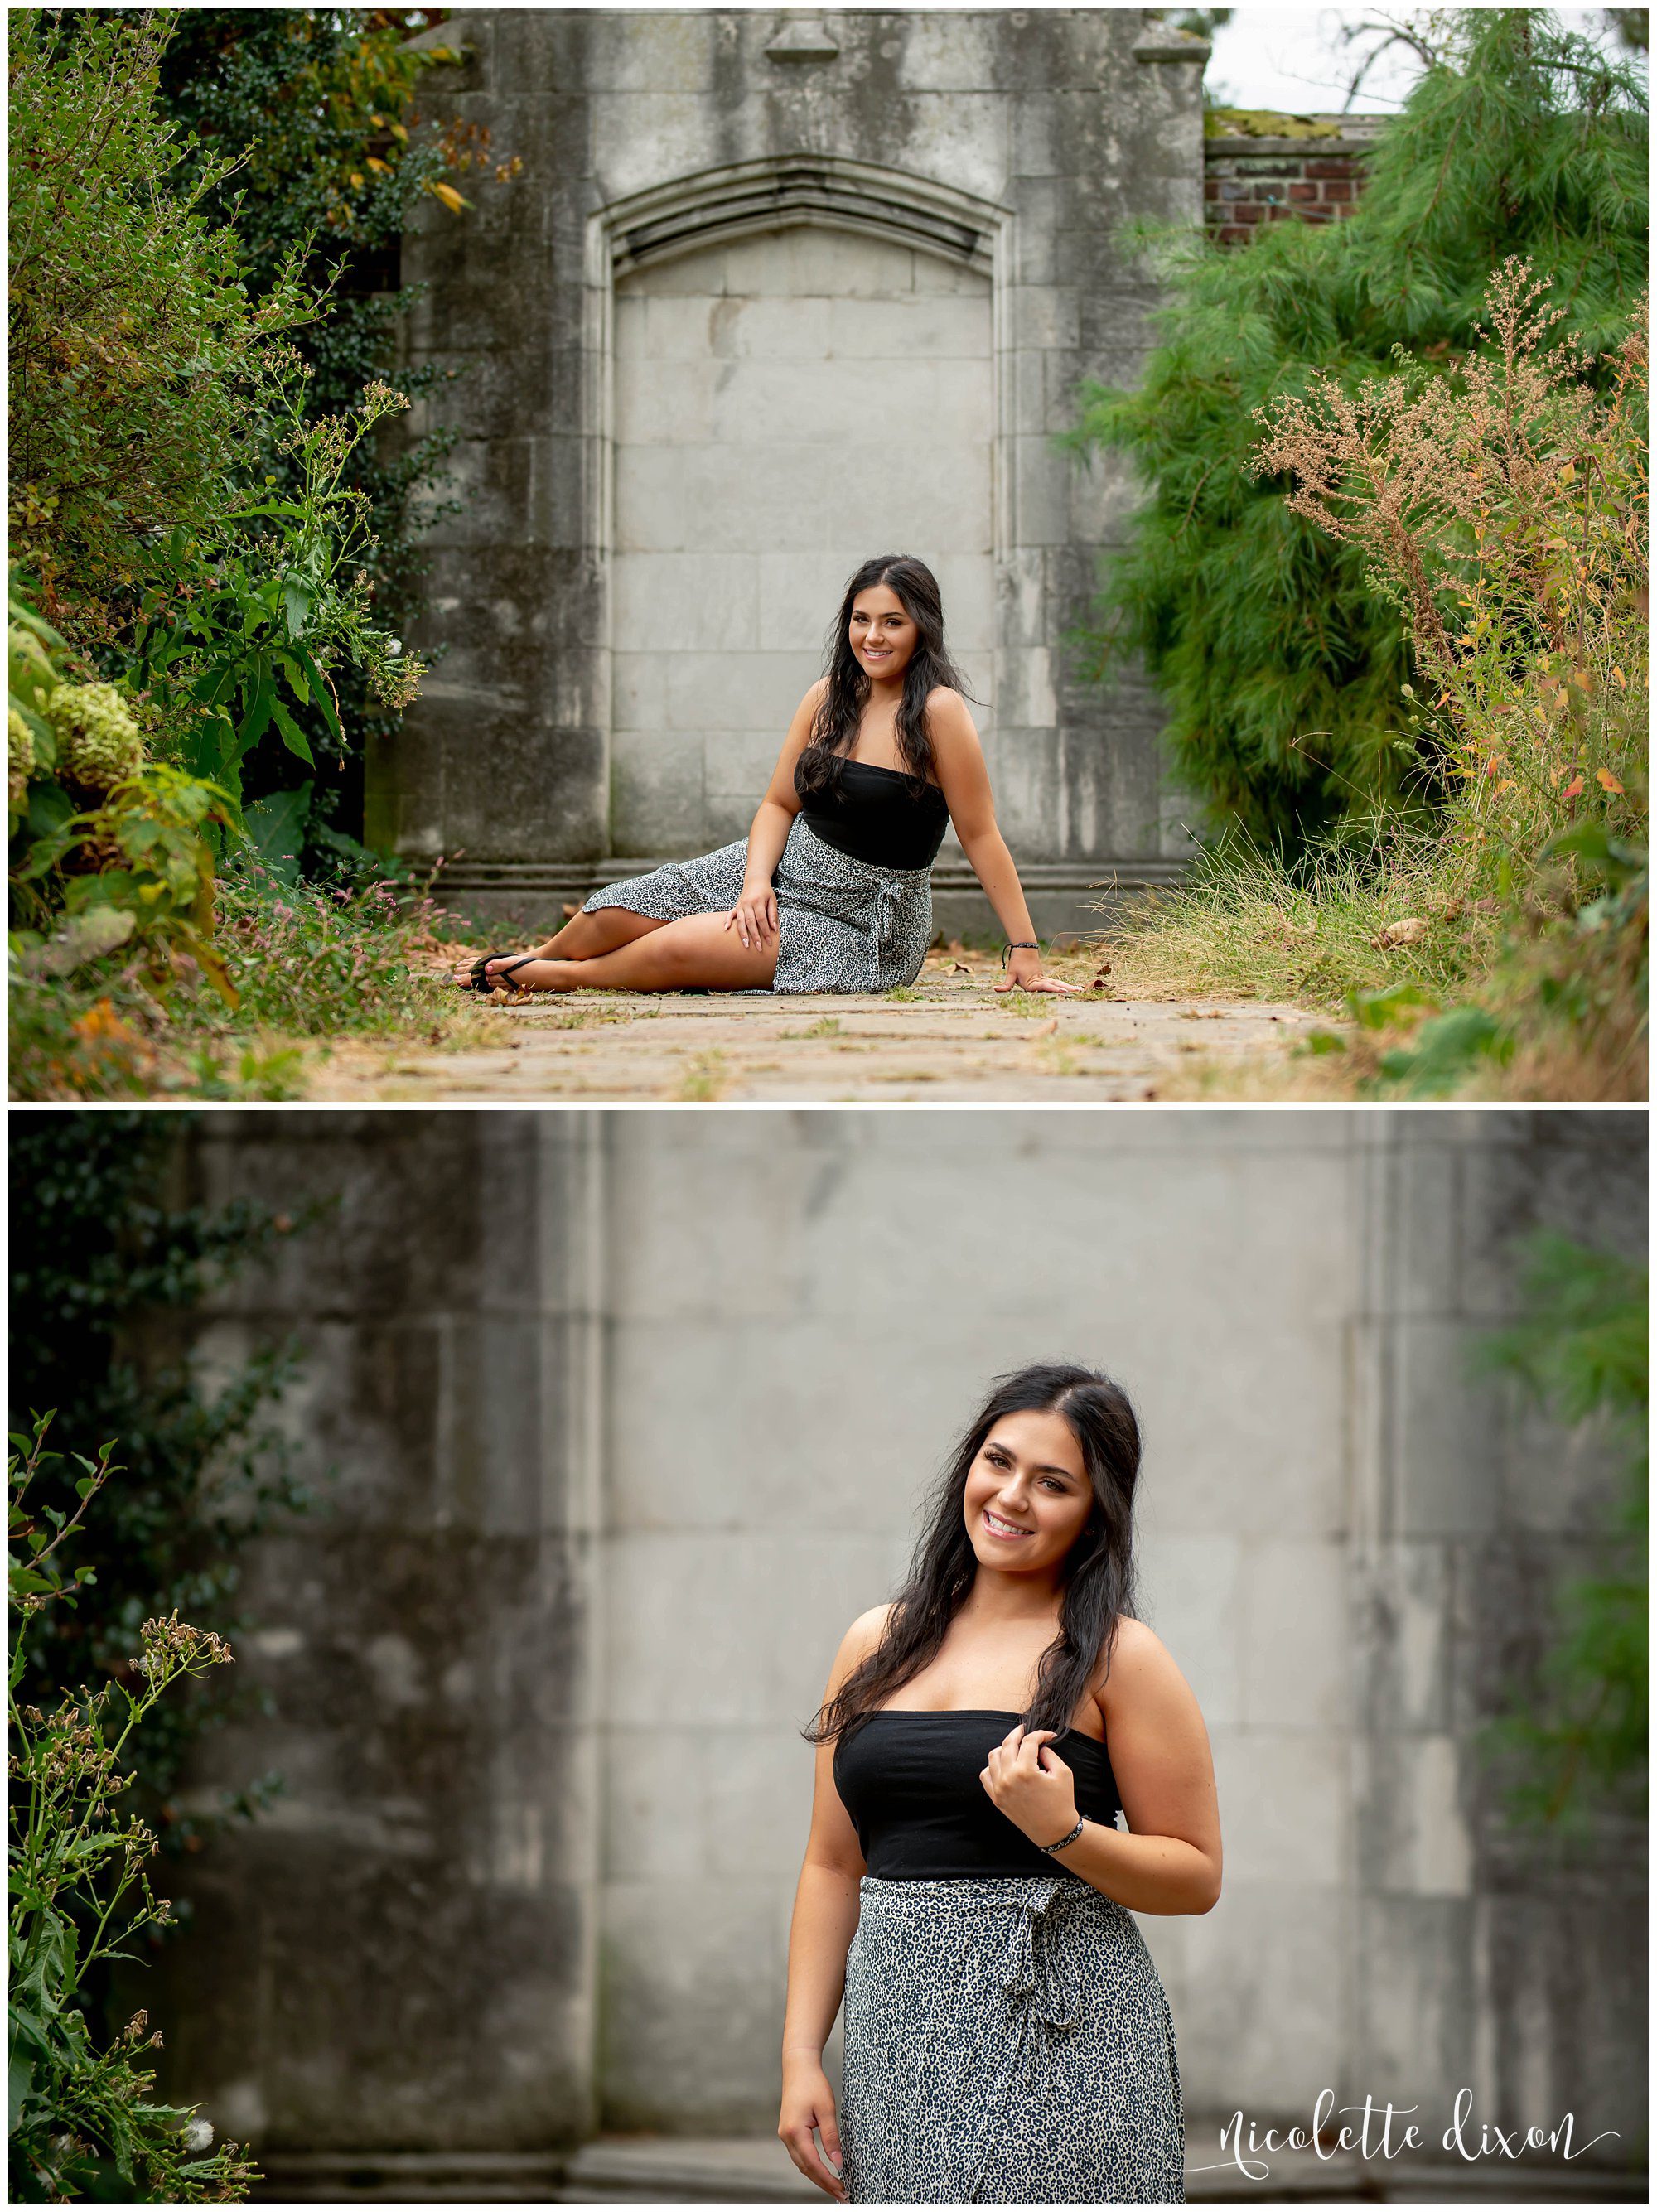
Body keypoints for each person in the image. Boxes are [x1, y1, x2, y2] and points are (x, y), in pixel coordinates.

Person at [778, 1363, 1220, 2205]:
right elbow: (832, 1865)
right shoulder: (874, 1643)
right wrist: (801, 2055)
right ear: (967, 1468)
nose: (1011, 1497)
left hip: (1066, 2036)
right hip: (896, 2042)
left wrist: (1063, 1832)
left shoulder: (1119, 1658)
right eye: (997, 1461)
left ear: (1095, 1514)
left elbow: (1197, 1875)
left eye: (1051, 1483)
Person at [452, 554, 1080, 998]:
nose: (873, 636)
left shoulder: (939, 713)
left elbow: (981, 834)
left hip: (865, 920)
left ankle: (555, 978)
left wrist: (1023, 948)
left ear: (923, 627)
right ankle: (536, 957)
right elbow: (779, 804)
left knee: (682, 946)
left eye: (893, 621)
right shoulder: (827, 695)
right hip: (781, 868)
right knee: (614, 911)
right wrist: (756, 882)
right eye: (862, 619)